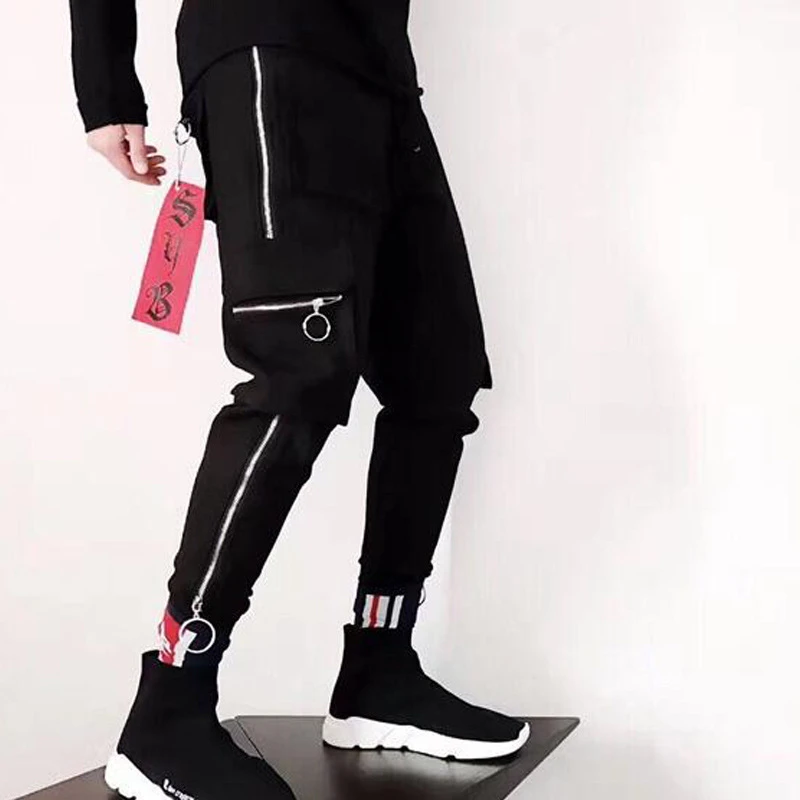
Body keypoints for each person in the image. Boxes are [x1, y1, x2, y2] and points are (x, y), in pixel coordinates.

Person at [69, 1, 529, 798]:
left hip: (379, 66)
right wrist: (107, 87)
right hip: (268, 47)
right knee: (298, 372)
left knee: (438, 372)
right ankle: (171, 702)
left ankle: (379, 668)